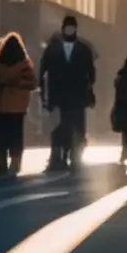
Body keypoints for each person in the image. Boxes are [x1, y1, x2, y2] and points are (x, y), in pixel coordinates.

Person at [39, 15, 96, 172]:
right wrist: (44, 95)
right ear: (63, 28)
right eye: (67, 27)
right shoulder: (52, 49)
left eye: (72, 27)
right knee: (58, 128)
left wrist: (89, 90)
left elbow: (91, 73)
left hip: (77, 96)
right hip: (58, 96)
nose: (70, 30)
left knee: (77, 128)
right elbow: (43, 72)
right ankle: (58, 158)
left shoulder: (83, 49)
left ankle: (76, 157)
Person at [0, 32, 36, 180]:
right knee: (16, 135)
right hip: (18, 107)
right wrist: (17, 85)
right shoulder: (25, 64)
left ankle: (1, 166)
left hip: (0, 105)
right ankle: (15, 162)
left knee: (0, 136)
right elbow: (32, 83)